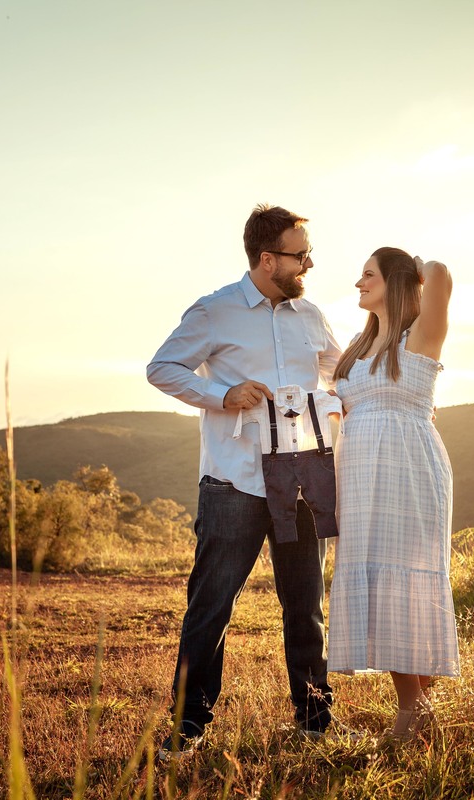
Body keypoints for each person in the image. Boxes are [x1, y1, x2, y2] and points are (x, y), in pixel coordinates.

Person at [146, 204, 343, 759]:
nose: (308, 262)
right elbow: (162, 368)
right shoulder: (215, 310)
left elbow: (340, 371)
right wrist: (222, 396)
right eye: (299, 254)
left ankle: (314, 724)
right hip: (233, 482)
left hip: (301, 480)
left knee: (305, 606)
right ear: (266, 259)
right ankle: (188, 728)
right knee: (211, 606)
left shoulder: (312, 316)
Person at [326, 247, 457, 739]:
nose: (358, 283)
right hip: (361, 478)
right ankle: (421, 713)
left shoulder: (419, 338)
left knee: (405, 582)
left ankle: (412, 712)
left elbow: (441, 276)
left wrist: (414, 266)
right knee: (381, 584)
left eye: (369, 275)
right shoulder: (358, 351)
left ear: (396, 282)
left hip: (408, 471)